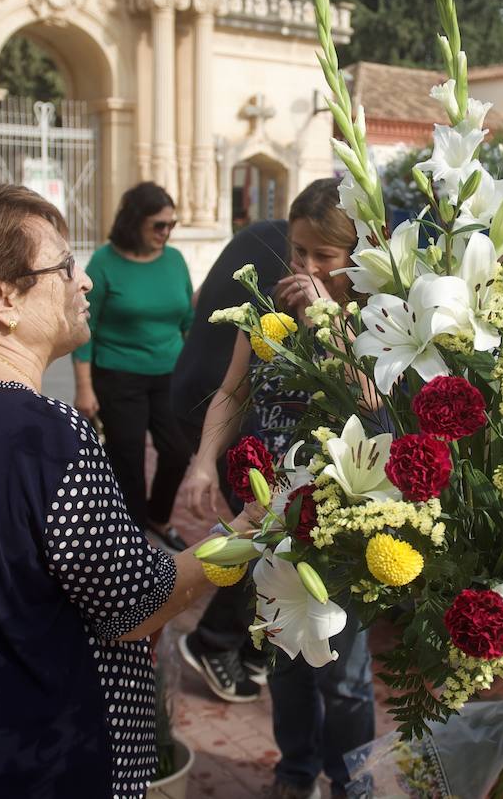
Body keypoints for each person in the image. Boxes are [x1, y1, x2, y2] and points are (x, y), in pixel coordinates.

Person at [0, 183, 263, 797]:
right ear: (1, 299)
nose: (84, 281)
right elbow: (131, 606)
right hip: (27, 748)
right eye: (64, 267)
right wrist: (239, 539)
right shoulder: (49, 435)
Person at [177, 179, 377, 799]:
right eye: (298, 253)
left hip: (346, 509)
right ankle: (294, 773)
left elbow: (375, 403)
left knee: (342, 671)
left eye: (323, 256)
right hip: (272, 506)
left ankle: (353, 780)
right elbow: (234, 389)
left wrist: (327, 319)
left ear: (357, 253)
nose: (307, 269)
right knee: (283, 657)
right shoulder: (266, 305)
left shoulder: (377, 309)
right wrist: (205, 462)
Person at [168, 218, 290, 702]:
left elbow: (200, 300)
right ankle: (213, 641)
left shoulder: (258, 232)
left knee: (266, 533)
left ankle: (252, 649)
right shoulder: (305, 263)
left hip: (196, 384)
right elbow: (235, 384)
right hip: (221, 405)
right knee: (260, 533)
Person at [72, 181, 194, 550]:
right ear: (134, 221)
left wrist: (194, 370)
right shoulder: (105, 262)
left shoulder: (174, 260)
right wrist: (84, 386)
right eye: (159, 225)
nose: (166, 233)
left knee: (177, 450)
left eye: (171, 225)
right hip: (118, 374)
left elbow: (188, 319)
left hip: (170, 372)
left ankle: (157, 515)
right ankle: (133, 533)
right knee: (127, 457)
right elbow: (85, 327)